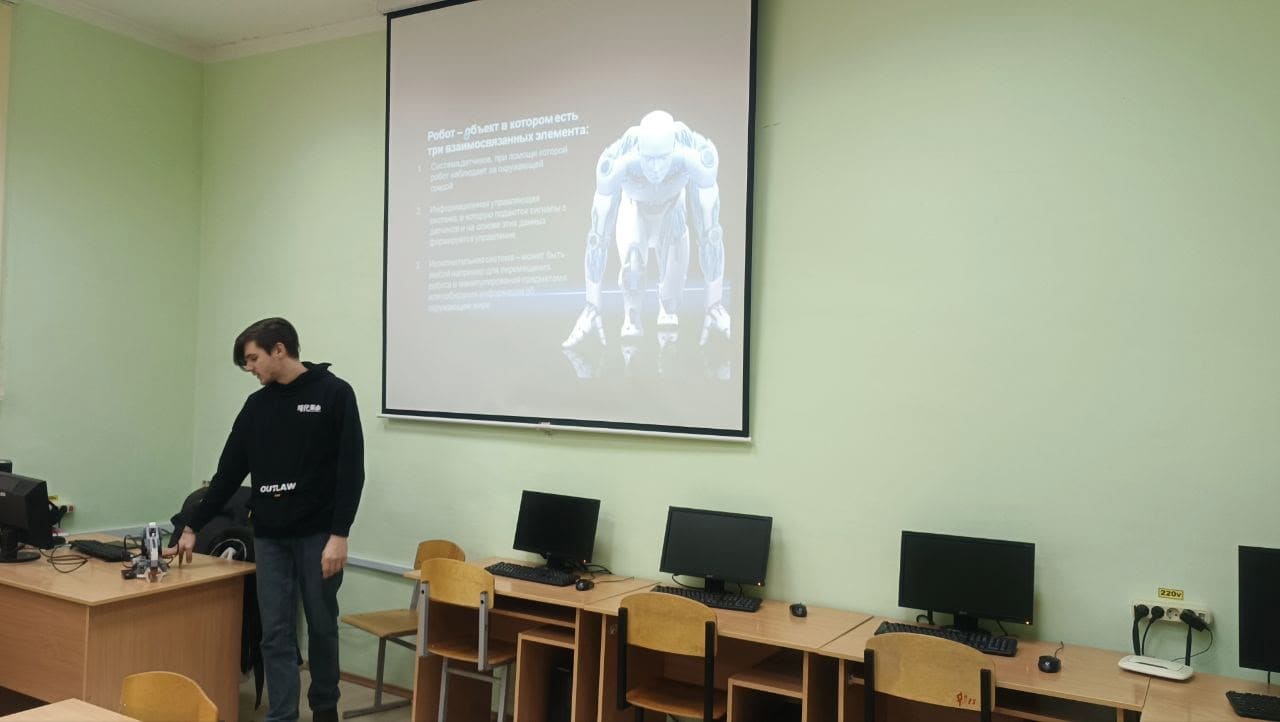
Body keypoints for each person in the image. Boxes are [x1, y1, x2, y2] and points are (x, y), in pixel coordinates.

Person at [169, 317, 365, 722]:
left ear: (279, 349)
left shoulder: (334, 394)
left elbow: (352, 471)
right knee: (274, 633)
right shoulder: (257, 406)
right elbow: (227, 475)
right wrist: (191, 526)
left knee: (322, 626)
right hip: (270, 537)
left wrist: (340, 534)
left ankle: (324, 707)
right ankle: (282, 715)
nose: (249, 368)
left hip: (319, 537)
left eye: (253, 358)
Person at [562, 110, 730, 349]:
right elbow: (598, 237)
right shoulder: (619, 159)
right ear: (639, 151)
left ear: (673, 150)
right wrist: (592, 305)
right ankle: (632, 316)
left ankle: (666, 306)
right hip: (634, 209)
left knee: (671, 302)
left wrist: (714, 302)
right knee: (632, 270)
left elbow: (710, 231)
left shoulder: (693, 153)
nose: (656, 168)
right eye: (649, 159)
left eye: (662, 159)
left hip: (672, 209)